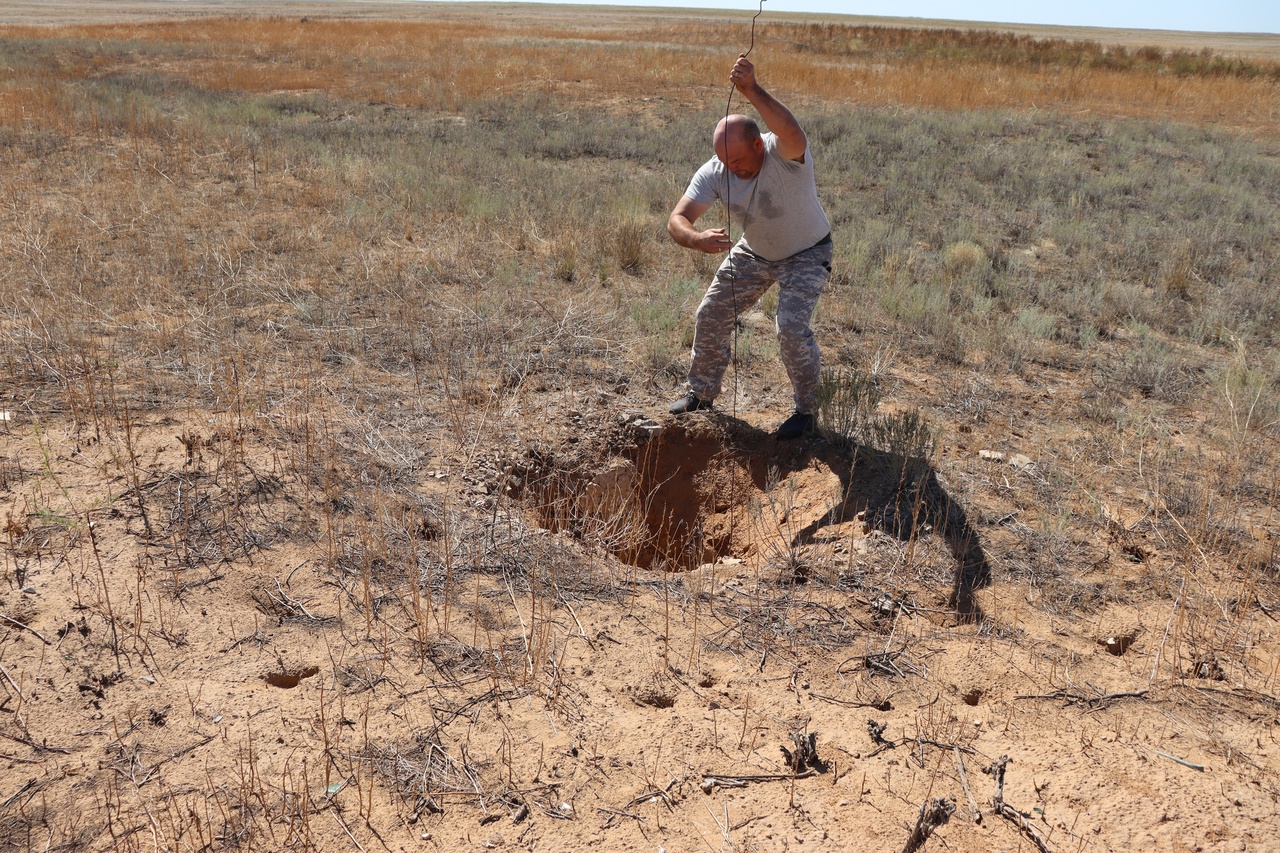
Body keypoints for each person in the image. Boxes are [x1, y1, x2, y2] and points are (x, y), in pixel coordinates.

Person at [666, 53, 833, 440]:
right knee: (711, 312)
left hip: (807, 252)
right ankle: (701, 394)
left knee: (790, 327)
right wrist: (696, 238)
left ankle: (807, 412)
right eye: (724, 161)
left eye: (738, 160)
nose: (731, 169)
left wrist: (752, 90)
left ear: (759, 144)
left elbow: (793, 131)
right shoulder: (717, 170)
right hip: (755, 251)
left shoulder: (785, 153)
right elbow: (677, 219)